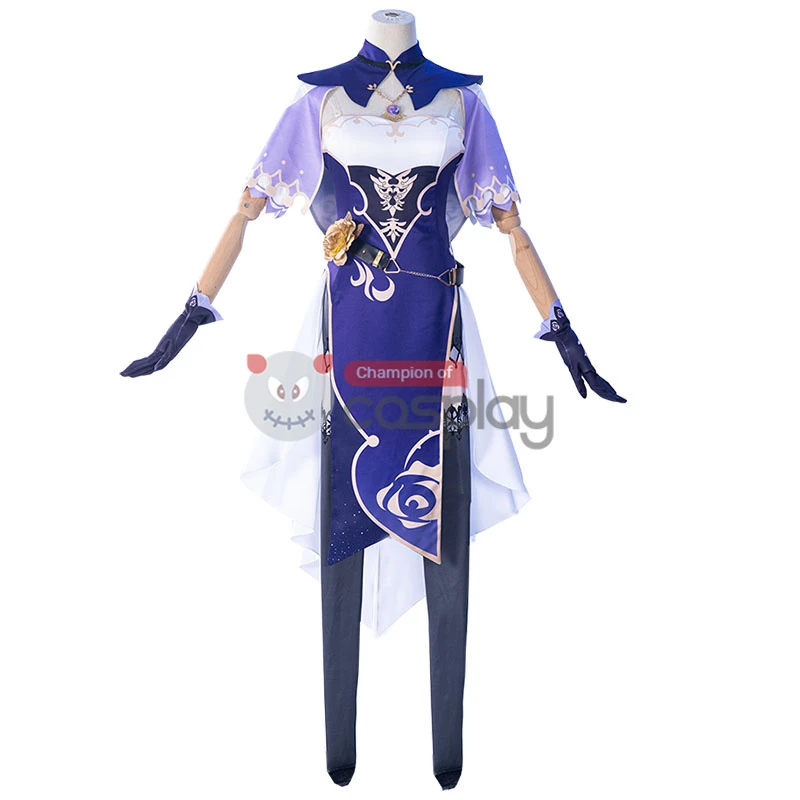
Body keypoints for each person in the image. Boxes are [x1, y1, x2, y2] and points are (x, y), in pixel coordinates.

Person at [121, 10, 625, 790]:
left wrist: (563, 330)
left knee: (441, 520)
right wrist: (189, 315)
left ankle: (447, 746)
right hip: (347, 330)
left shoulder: (463, 104)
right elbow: (246, 211)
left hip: (436, 329)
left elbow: (513, 231)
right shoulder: (317, 103)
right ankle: (340, 743)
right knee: (343, 520)